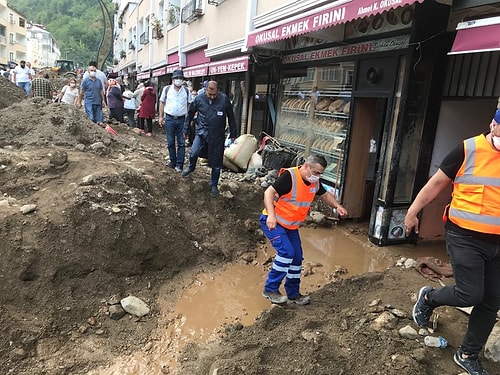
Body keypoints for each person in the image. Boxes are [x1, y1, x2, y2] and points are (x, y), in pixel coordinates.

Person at [406, 108, 500, 375]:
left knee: (492, 300)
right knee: (471, 293)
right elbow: (436, 184)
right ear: (493, 125)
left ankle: (467, 354)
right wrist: (412, 212)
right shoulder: (468, 150)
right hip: (465, 237)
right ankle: (429, 298)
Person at [259, 154, 348, 305]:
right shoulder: (290, 177)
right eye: (316, 173)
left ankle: (293, 294)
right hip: (274, 222)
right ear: (306, 166)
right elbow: (268, 192)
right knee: (287, 252)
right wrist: (271, 216)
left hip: (291, 226)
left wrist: (337, 206)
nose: (318, 177)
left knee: (297, 258)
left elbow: (325, 194)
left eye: (320, 174)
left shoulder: (314, 182)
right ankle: (270, 289)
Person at [182, 80, 238, 197]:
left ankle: (214, 185)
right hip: (202, 133)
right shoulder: (199, 99)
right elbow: (190, 114)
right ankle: (191, 167)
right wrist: (186, 129)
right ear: (205, 90)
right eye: (210, 94)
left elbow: (231, 117)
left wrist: (233, 133)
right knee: (193, 152)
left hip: (217, 135)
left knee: (216, 163)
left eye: (214, 94)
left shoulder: (224, 100)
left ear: (218, 91)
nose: (212, 96)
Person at [158, 69, 192, 171]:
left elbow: (190, 104)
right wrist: (160, 116)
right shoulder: (167, 89)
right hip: (169, 119)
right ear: (173, 80)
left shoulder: (186, 91)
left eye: (180, 78)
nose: (178, 80)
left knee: (181, 143)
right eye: (176, 78)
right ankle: (172, 161)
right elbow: (162, 102)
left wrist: (189, 119)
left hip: (182, 120)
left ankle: (179, 165)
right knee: (170, 142)